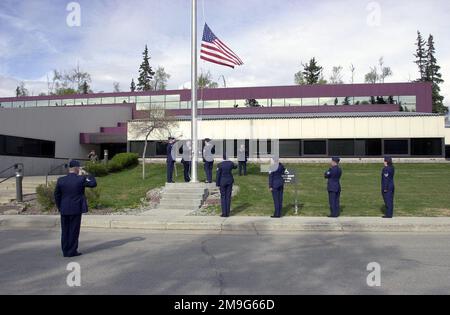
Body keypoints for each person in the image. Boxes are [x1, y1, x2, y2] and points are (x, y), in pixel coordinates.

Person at [54, 160, 97, 258]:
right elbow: (93, 184)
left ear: (69, 168)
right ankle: (72, 251)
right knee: (74, 230)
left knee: (65, 231)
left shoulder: (61, 180)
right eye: (79, 168)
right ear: (77, 168)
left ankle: (65, 251)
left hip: (64, 208)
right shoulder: (81, 179)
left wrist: (59, 206)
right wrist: (88, 175)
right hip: (76, 208)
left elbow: (56, 195)